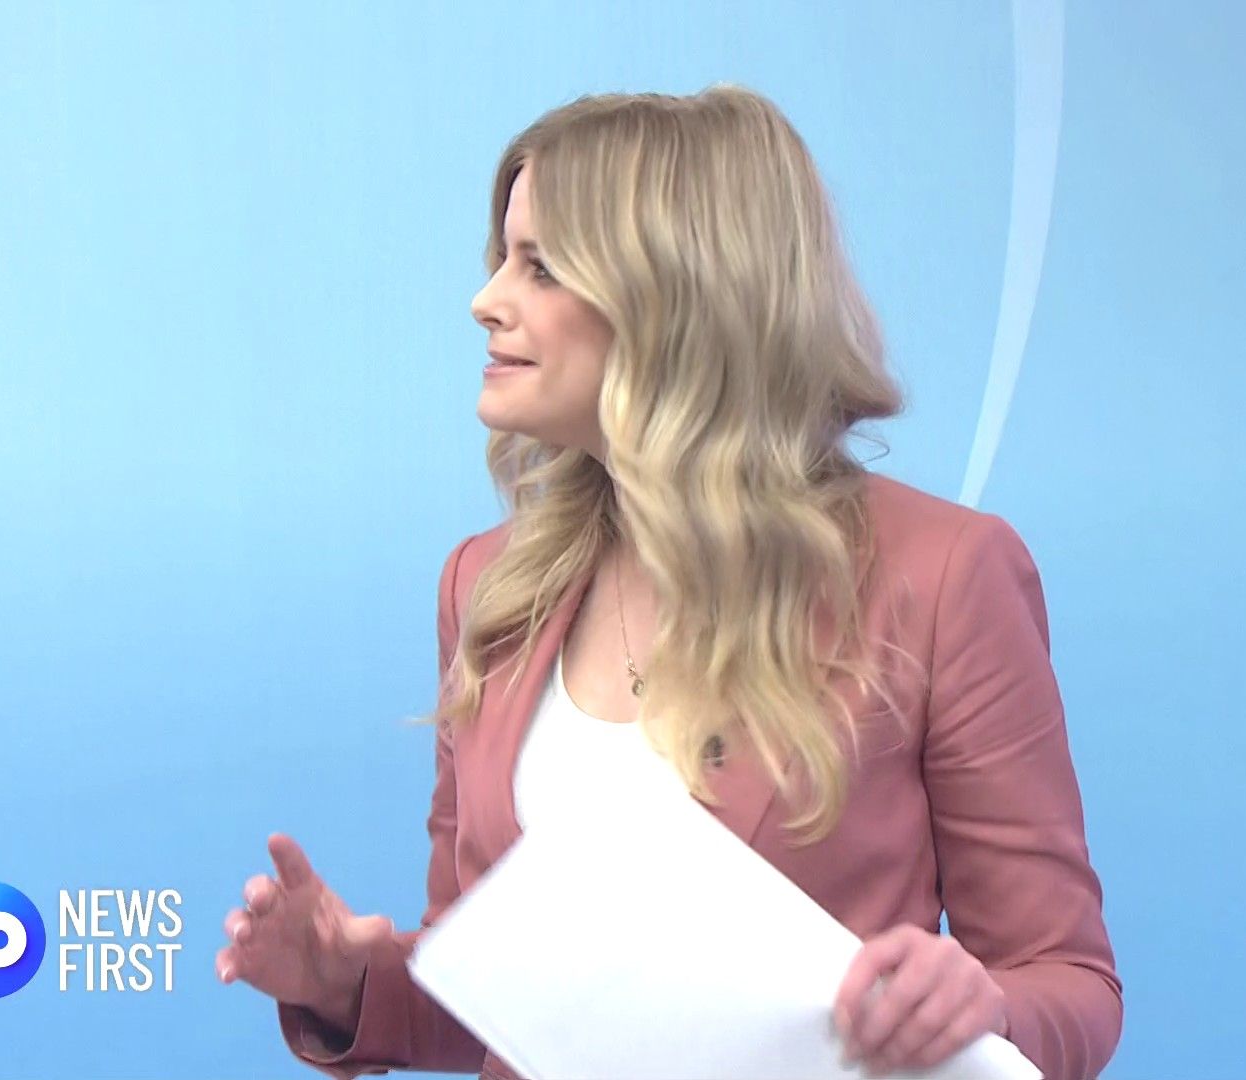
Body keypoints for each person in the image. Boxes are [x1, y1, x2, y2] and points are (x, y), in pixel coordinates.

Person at [216, 84, 1121, 1080]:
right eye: (502, 258)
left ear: (678, 299)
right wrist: (348, 982)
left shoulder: (943, 576)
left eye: (541, 267)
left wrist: (981, 1005)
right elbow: (503, 1006)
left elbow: (1069, 981)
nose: (487, 300)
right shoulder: (486, 588)